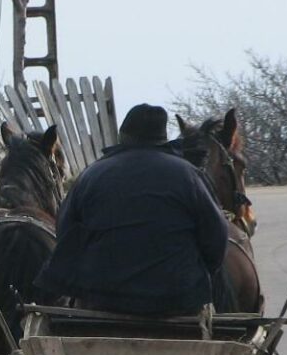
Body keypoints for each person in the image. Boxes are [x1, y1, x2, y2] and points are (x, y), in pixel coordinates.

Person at [33, 103, 230, 316]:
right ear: (163, 138)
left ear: (122, 136)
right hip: (177, 300)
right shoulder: (189, 175)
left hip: (100, 298)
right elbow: (216, 237)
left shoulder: (92, 175)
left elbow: (65, 232)